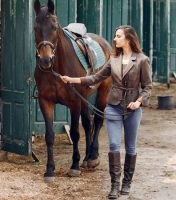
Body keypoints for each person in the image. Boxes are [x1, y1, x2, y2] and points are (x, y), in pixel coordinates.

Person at [61, 25, 152, 199]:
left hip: (132, 109)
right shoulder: (113, 59)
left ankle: (126, 183)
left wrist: (138, 102)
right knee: (113, 146)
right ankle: (114, 185)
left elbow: (148, 87)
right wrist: (72, 79)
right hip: (113, 107)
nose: (115, 39)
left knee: (131, 147)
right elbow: (96, 77)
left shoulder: (142, 60)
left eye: (118, 36)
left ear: (128, 39)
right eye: (115, 36)